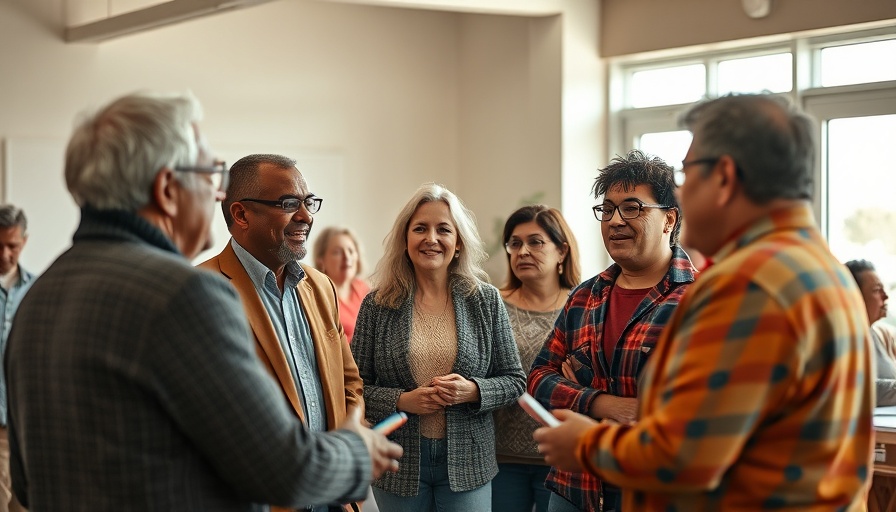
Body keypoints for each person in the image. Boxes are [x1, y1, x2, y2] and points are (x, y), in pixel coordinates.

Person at [4, 92, 402, 511]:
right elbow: (285, 469)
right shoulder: (183, 294)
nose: (217, 194)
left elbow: (27, 487)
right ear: (167, 189)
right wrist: (357, 451)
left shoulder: (39, 298)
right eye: (210, 173)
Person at [535, 93, 874, 510]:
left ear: (725, 177)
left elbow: (685, 456)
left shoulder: (748, 285)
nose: (682, 191)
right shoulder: (821, 270)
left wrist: (586, 444)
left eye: (687, 173)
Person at [528, 149, 696, 512]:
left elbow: (692, 411)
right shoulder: (586, 296)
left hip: (651, 492)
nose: (615, 221)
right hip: (576, 487)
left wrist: (577, 387)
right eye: (607, 210)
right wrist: (603, 402)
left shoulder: (699, 301)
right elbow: (539, 378)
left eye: (632, 208)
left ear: (669, 219)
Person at [199, 154, 367, 512]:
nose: (306, 216)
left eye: (308, 202)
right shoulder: (202, 290)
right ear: (241, 214)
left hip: (333, 497)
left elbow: (349, 383)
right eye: (289, 204)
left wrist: (349, 441)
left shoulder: (321, 287)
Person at [351, 183, 526, 512]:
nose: (431, 239)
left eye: (443, 229)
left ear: (458, 243)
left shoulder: (485, 300)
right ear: (406, 240)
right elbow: (354, 386)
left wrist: (472, 391)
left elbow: (515, 380)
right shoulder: (377, 305)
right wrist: (403, 400)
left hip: (469, 462)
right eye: (420, 229)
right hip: (397, 462)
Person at [492, 205, 582, 512]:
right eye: (515, 243)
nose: (523, 251)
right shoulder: (493, 304)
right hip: (500, 457)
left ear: (562, 251)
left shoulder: (582, 307)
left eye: (535, 242)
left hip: (560, 456)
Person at [0, 205, 33, 512]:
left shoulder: (38, 290)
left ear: (24, 241)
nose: (4, 254)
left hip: (26, 425)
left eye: (12, 246)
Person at [845, 259, 894, 406]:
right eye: (876, 290)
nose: (885, 296)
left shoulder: (873, 332)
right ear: (854, 297)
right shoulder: (845, 338)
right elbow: (859, 388)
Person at [312, 227, 370, 343]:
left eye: (351, 251)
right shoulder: (316, 297)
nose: (347, 257)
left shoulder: (364, 289)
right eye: (337, 252)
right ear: (321, 260)